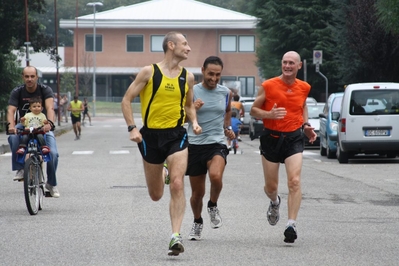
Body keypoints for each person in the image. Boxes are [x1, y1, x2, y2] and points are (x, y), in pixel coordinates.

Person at [121, 31, 202, 256]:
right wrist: (132, 128)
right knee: (156, 194)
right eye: (185, 43)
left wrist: (193, 121)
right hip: (151, 137)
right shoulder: (149, 72)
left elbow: (188, 106)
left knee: (177, 184)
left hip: (177, 135)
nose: (189, 48)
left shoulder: (189, 76)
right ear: (171, 45)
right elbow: (126, 100)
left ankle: (175, 236)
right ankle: (163, 169)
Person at [250, 51, 317, 244]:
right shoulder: (268, 85)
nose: (287, 66)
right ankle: (274, 201)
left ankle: (291, 224)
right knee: (271, 187)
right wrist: (269, 115)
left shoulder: (304, 87)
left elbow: (301, 106)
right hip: (271, 138)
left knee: (294, 181)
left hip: (294, 138)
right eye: (284, 62)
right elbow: (254, 109)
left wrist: (305, 126)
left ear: (299, 66)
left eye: (291, 63)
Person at [186, 56, 235, 241]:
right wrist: (193, 110)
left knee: (216, 176)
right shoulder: (192, 91)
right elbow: (181, 119)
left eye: (218, 75)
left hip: (216, 143)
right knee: (197, 194)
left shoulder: (225, 93)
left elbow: (228, 110)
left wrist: (227, 128)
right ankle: (197, 221)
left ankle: (213, 205)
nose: (214, 78)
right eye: (210, 74)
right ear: (202, 71)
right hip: (195, 145)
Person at [7, 66, 60, 198]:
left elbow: (50, 108)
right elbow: (11, 110)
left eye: (32, 76)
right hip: (24, 125)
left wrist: (50, 124)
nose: (29, 79)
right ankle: (20, 168)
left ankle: (51, 184)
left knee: (53, 154)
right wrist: (11, 126)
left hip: (42, 125)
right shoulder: (17, 91)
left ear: (37, 77)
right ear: (23, 77)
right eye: (26, 76)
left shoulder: (45, 90)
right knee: (13, 138)